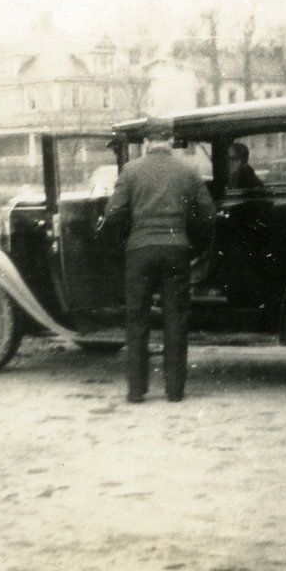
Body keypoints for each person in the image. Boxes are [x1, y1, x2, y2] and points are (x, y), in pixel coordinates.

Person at [100, 119, 215, 403]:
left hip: (140, 251)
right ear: (172, 139)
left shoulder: (131, 170)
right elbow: (208, 214)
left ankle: (136, 391)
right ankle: (175, 391)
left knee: (137, 319)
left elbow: (113, 213)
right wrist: (193, 246)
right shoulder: (188, 171)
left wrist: (125, 241)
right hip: (177, 251)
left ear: (147, 142)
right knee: (175, 319)